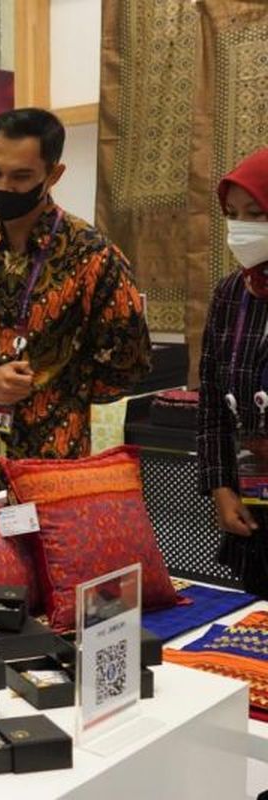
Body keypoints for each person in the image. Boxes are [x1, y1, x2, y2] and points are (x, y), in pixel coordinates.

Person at [0, 108, 150, 501]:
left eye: (21, 176)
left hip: (52, 463)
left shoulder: (92, 256)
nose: (4, 186)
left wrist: (56, 387)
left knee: (44, 564)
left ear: (53, 174)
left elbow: (129, 360)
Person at [198, 146, 268, 596]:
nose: (241, 228)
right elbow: (211, 402)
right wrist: (222, 487)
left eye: (256, 214)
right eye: (233, 214)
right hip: (254, 505)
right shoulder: (231, 294)